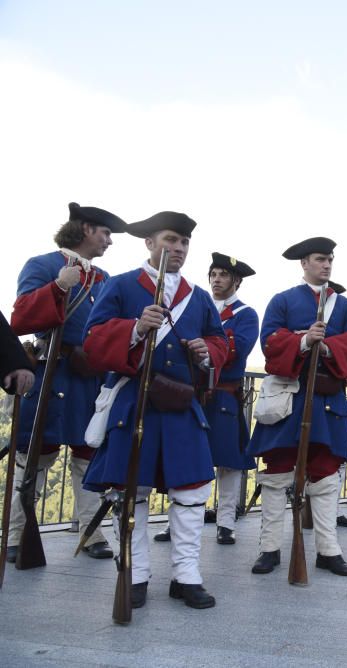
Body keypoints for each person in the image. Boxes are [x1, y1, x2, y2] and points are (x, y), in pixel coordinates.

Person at [82, 211, 228, 610]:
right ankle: (135, 572)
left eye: (183, 242)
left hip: (182, 403)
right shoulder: (122, 285)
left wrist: (206, 352)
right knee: (133, 492)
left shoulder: (197, 297)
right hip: (135, 403)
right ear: (150, 243)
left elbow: (219, 342)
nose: (178, 249)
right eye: (170, 240)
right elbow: (93, 340)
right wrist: (134, 328)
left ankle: (187, 576)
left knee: (193, 491)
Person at [6, 203, 127, 563]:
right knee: (34, 458)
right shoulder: (43, 265)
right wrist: (59, 286)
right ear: (86, 229)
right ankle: (15, 535)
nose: (109, 241)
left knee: (88, 456)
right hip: (51, 373)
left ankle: (92, 533)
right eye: (105, 233)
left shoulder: (104, 278)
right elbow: (21, 316)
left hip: (88, 378)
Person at [246, 237, 347, 577]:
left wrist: (325, 347)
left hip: (328, 400)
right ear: (304, 264)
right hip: (290, 398)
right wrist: (302, 339)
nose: (326, 265)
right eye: (319, 259)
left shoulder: (345, 306)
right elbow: (269, 340)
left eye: (329, 260)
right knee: (277, 471)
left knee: (326, 472)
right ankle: (269, 548)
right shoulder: (282, 300)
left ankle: (328, 550)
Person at [154, 252, 260, 545]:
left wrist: (205, 345)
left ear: (236, 281)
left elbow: (235, 349)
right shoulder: (195, 307)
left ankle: (226, 523)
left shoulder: (245, 315)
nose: (216, 279)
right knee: (184, 458)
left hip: (223, 394)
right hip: (191, 393)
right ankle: (177, 520)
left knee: (228, 462)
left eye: (223, 275)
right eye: (213, 274)